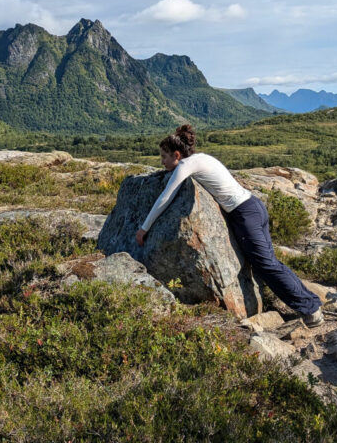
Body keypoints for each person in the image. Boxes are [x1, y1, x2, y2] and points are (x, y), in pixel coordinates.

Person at [135, 124, 324, 327]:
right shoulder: (202, 158)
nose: (162, 162)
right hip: (254, 206)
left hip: (243, 214)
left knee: (266, 265)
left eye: (164, 157)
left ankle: (311, 310)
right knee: (270, 262)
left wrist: (144, 228)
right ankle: (311, 303)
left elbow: (165, 198)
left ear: (177, 155)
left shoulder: (185, 165)